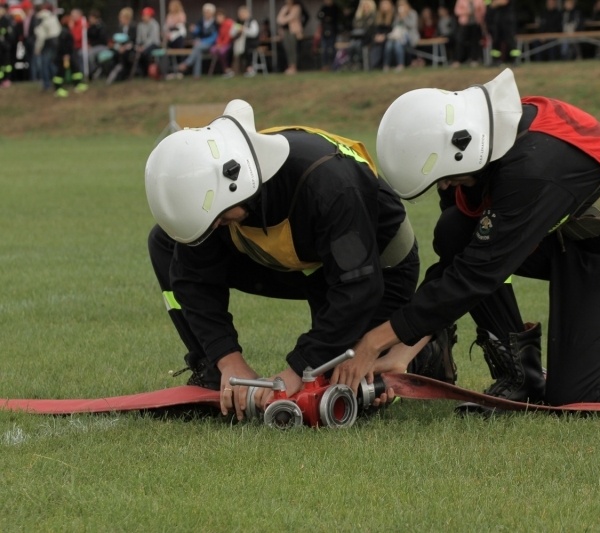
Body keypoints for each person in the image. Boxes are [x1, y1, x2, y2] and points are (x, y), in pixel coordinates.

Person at [332, 69, 600, 408]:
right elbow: (462, 265)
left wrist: (375, 340)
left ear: (461, 152)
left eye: (444, 180)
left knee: (581, 397)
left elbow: (477, 274)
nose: (445, 190)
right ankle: (520, 374)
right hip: (567, 237)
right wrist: (404, 350)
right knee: (455, 231)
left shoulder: (531, 169)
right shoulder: (485, 143)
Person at [145, 99, 454, 420]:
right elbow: (193, 278)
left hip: (377, 268)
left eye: (220, 218)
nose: (216, 227)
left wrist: (297, 370)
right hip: (300, 261)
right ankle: (213, 375)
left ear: (238, 184)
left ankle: (419, 348)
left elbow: (358, 288)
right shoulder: (219, 201)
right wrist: (227, 360)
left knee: (346, 391)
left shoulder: (331, 186)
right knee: (166, 246)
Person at [53, 10, 88, 96]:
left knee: (75, 69)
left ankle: (77, 84)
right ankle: (58, 88)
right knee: (61, 71)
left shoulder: (67, 31)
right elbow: (64, 45)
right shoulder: (65, 32)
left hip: (69, 54)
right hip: (64, 56)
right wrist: (66, 55)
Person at [178, 3, 218, 78]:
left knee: (197, 47)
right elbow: (198, 32)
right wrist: (194, 30)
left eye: (208, 12)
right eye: (205, 12)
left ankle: (187, 63)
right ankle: (197, 75)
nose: (206, 13)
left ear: (212, 13)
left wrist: (202, 41)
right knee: (198, 51)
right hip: (200, 45)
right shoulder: (201, 21)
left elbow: (214, 38)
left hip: (210, 45)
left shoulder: (215, 23)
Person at [382, 0, 418, 71]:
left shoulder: (412, 13)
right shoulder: (397, 15)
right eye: (399, 6)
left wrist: (404, 18)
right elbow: (394, 27)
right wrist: (399, 18)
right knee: (389, 44)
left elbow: (412, 25)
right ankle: (386, 65)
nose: (401, 7)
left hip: (409, 37)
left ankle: (400, 64)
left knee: (398, 44)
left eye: (402, 5)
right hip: (397, 36)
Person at [32, 2, 60, 91]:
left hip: (47, 43)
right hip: (56, 42)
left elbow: (41, 36)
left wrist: (37, 48)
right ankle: (58, 81)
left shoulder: (40, 19)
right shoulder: (53, 17)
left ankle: (46, 85)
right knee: (52, 64)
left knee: (44, 65)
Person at [452, 0, 485, 68]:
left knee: (474, 42)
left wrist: (478, 14)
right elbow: (457, 11)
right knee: (460, 41)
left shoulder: (479, 0)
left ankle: (474, 60)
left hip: (475, 23)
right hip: (464, 24)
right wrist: (467, 12)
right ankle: (458, 60)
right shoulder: (461, 0)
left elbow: (483, 11)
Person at [231, 5, 260, 76]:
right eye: (240, 14)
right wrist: (237, 31)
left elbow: (254, 33)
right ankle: (235, 70)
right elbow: (231, 33)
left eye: (243, 14)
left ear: (248, 14)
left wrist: (244, 30)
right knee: (231, 48)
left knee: (247, 49)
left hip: (251, 42)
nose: (241, 15)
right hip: (240, 42)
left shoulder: (252, 21)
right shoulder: (238, 22)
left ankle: (250, 69)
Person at [486, 0, 518, 64]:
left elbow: (503, 2)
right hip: (497, 19)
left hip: (508, 19)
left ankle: (513, 60)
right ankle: (495, 60)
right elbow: (487, 3)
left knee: (510, 40)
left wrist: (494, 3)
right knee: (496, 40)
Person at [276, 0, 304, 74]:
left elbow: (291, 17)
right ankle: (290, 66)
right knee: (287, 49)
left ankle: (293, 67)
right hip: (285, 32)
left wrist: (284, 19)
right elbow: (278, 19)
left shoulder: (297, 7)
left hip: (293, 31)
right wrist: (284, 19)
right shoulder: (284, 8)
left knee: (292, 49)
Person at [135, 7, 161, 78]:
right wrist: (138, 46)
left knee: (145, 53)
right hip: (143, 45)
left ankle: (147, 72)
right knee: (136, 53)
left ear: (150, 16)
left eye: (145, 15)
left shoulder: (154, 25)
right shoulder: (140, 25)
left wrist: (144, 47)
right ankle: (140, 72)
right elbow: (139, 38)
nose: (143, 17)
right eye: (143, 15)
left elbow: (152, 39)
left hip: (154, 44)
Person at [209, 7, 234, 76]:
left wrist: (222, 44)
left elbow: (229, 36)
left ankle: (227, 69)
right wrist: (218, 44)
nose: (218, 19)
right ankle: (225, 69)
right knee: (213, 50)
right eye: (217, 17)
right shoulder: (220, 26)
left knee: (221, 51)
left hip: (229, 44)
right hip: (221, 44)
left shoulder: (229, 23)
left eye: (219, 17)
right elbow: (219, 37)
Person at [315, 0, 340, 70]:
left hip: (332, 31)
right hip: (324, 31)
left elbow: (336, 18)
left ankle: (334, 64)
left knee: (332, 48)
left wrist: (329, 19)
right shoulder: (323, 8)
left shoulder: (335, 8)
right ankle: (325, 65)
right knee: (324, 49)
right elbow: (318, 16)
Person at [0, 1, 15, 87]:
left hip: (6, 47)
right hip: (1, 47)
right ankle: (1, 80)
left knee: (7, 65)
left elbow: (10, 34)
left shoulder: (7, 20)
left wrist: (6, 43)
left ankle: (7, 79)